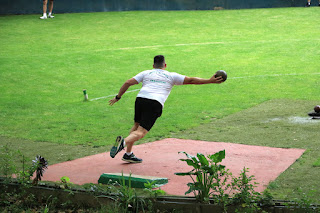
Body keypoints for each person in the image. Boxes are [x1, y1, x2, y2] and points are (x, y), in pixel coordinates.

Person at [108, 55, 224, 163]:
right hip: (154, 102)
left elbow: (128, 82)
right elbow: (191, 80)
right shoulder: (171, 75)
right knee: (141, 132)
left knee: (136, 125)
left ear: (153, 66)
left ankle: (128, 154)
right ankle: (123, 143)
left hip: (140, 99)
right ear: (165, 65)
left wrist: (118, 97)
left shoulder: (146, 73)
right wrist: (210, 81)